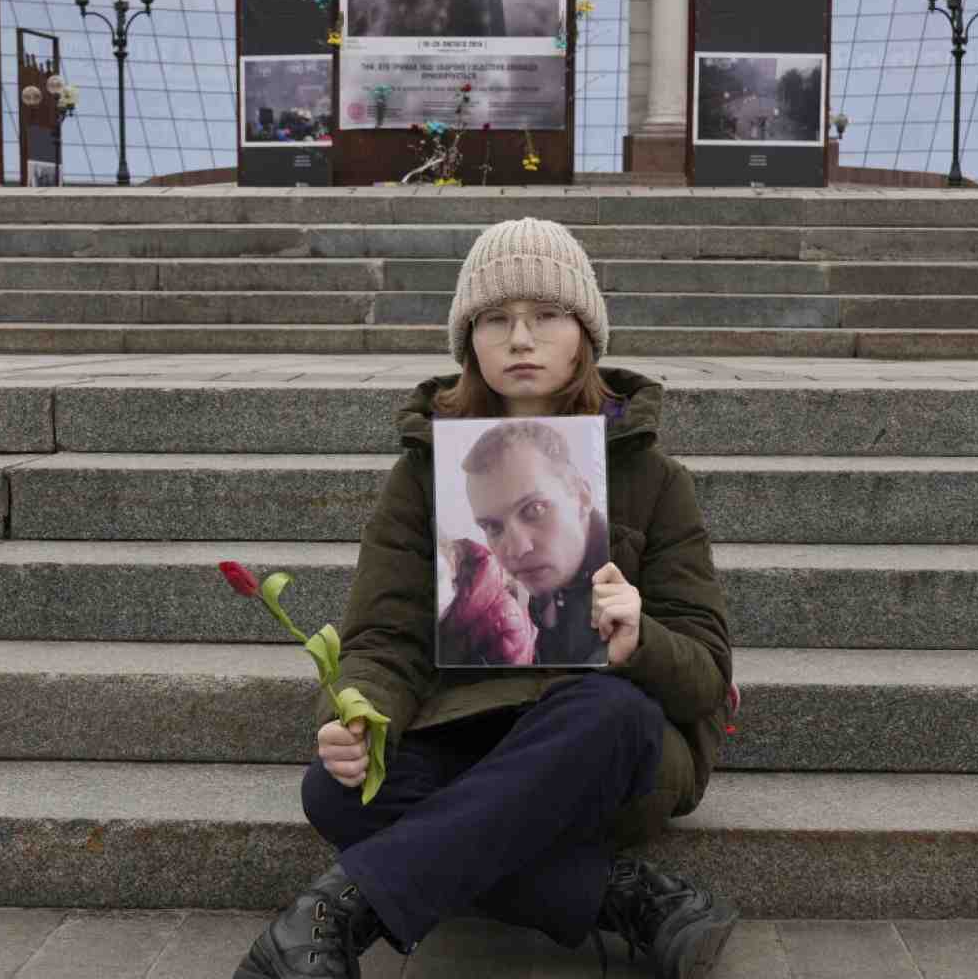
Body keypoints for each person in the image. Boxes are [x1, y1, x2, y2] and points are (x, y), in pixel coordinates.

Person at [235, 217, 738, 979]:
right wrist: (359, 713)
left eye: (546, 315)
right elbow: (383, 642)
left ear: (586, 333)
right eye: (496, 320)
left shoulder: (652, 477)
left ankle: (336, 913)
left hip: (611, 751)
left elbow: (705, 672)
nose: (521, 338)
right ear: (469, 341)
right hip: (468, 732)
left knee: (607, 712)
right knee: (335, 793)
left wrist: (643, 642)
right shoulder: (424, 475)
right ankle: (629, 897)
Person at [445, 418, 610, 667]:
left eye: (535, 509)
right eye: (492, 527)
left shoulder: (640, 571)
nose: (517, 549)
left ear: (582, 497)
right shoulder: (534, 598)